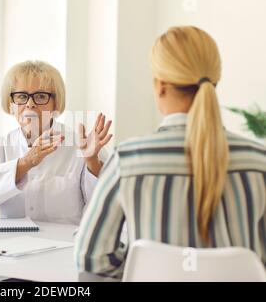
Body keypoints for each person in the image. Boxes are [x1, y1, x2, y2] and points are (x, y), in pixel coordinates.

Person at [74, 26, 266, 280]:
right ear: (215, 82)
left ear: (160, 86)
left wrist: (142, 270)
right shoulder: (259, 161)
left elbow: (91, 258)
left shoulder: (127, 160)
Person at [0, 60, 113, 224]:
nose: (30, 103)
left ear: (56, 103)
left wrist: (92, 163)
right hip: (11, 244)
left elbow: (106, 208)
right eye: (21, 96)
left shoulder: (82, 145)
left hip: (66, 244)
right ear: (11, 104)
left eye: (40, 96)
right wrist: (25, 163)